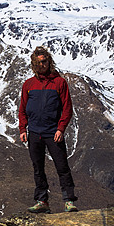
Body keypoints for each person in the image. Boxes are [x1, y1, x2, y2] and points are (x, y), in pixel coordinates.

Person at [18, 46, 78, 214]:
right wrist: (23, 128)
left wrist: (61, 129)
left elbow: (67, 108)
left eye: (44, 61)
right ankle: (42, 200)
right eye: (38, 62)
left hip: (53, 133)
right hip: (34, 133)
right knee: (38, 168)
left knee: (62, 167)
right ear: (33, 64)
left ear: (49, 62)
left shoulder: (59, 82)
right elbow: (22, 109)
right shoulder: (28, 85)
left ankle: (69, 201)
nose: (41, 65)